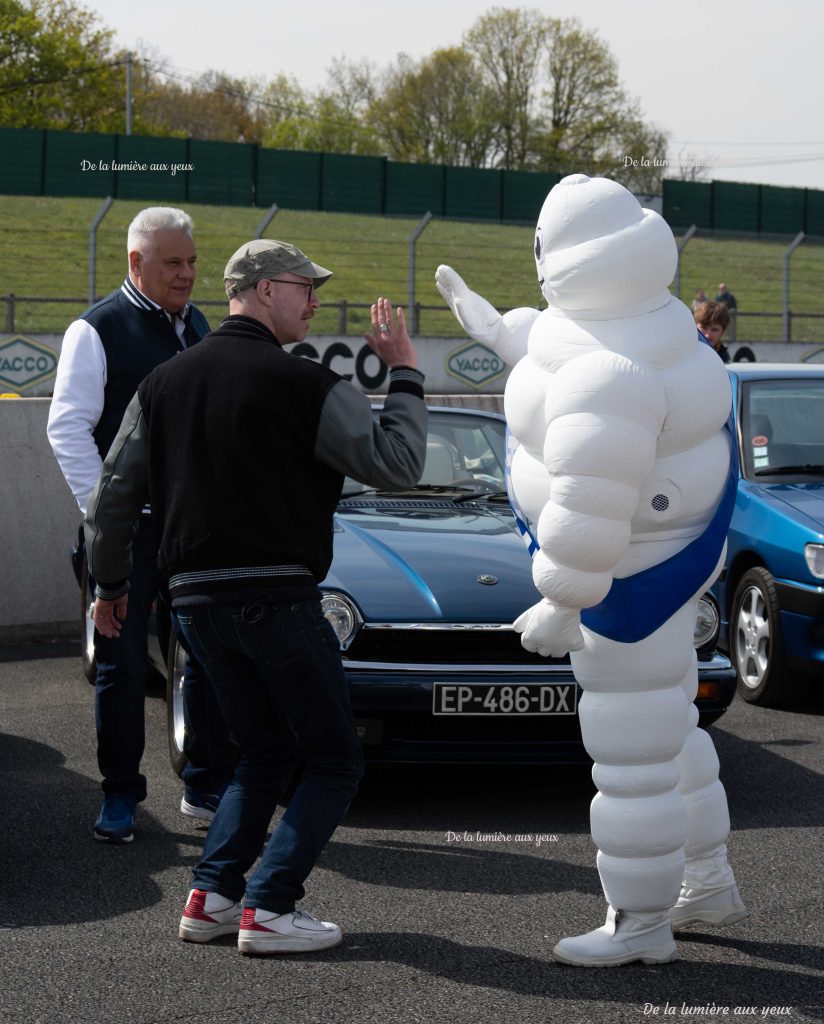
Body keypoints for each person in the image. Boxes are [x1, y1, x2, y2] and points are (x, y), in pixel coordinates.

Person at [84, 239, 428, 955]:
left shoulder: (163, 383)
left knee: (264, 750)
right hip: (277, 597)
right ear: (267, 289)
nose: (314, 300)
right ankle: (270, 906)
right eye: (306, 287)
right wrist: (403, 375)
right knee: (334, 759)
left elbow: (111, 500)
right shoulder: (306, 384)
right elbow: (398, 464)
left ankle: (210, 899)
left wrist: (110, 587)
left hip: (193, 609)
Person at [437, 174, 745, 968]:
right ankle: (706, 876)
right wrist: (495, 326)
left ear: (562, 257)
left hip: (621, 582)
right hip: (665, 568)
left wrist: (561, 600)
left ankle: (640, 923)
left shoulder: (608, 380)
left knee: (631, 751)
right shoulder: (651, 324)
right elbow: (555, 337)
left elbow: (590, 496)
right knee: (670, 726)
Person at [47, 206, 232, 844]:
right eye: (173, 264)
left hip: (190, 533)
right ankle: (121, 794)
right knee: (122, 669)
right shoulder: (95, 330)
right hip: (126, 536)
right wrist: (105, 518)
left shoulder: (199, 325)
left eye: (192, 263)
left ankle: (204, 784)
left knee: (203, 655)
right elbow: (67, 428)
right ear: (135, 262)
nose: (187, 276)